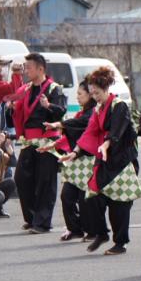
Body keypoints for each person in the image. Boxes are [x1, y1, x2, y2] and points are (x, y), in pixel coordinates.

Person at [61, 67, 141, 255]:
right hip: (105, 159)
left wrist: (107, 144)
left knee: (119, 204)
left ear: (106, 88)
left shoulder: (119, 105)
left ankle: (120, 242)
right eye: (92, 93)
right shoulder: (99, 108)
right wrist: (75, 152)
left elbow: (118, 130)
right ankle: (101, 232)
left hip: (122, 160)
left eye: (97, 92)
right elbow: (90, 132)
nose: (94, 96)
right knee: (92, 197)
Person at [12, 53, 67, 234]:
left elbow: (61, 113)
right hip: (29, 141)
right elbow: (17, 114)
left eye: (29, 67)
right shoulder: (26, 89)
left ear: (40, 69)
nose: (26, 71)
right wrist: (11, 108)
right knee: (21, 178)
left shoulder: (54, 89)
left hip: (47, 140)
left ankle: (42, 223)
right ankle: (33, 217)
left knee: (45, 181)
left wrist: (48, 106)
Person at [40, 79, 96, 241]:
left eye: (80, 94)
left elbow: (79, 125)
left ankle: (92, 231)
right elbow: (71, 133)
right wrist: (51, 146)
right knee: (67, 196)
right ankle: (75, 229)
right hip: (76, 163)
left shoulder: (92, 113)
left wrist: (59, 124)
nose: (77, 97)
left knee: (85, 199)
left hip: (89, 162)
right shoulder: (82, 112)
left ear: (90, 95)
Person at [0, 56, 23, 132]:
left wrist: (18, 74)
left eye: (2, 65)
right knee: (4, 141)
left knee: (8, 141)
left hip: (5, 116)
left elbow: (18, 91)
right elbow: (11, 90)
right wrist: (16, 73)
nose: (1, 67)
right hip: (1, 117)